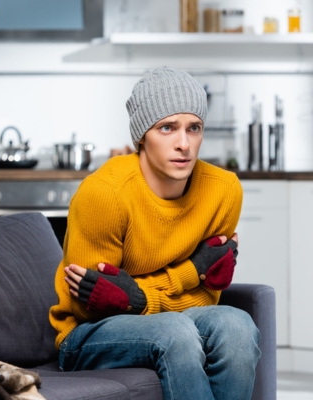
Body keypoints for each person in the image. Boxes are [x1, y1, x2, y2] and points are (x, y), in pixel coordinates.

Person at [49, 67, 261, 400]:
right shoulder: (104, 194)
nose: (184, 144)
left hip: (173, 319)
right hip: (85, 335)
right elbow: (89, 306)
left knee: (238, 326)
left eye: (194, 128)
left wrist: (141, 297)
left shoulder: (223, 190)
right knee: (174, 331)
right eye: (167, 128)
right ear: (142, 137)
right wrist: (194, 270)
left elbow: (211, 295)